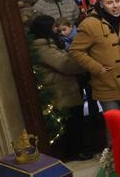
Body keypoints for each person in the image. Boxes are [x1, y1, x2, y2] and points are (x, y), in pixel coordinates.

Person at [69, 0, 120, 117]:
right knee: (116, 126)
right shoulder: (89, 24)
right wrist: (97, 68)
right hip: (106, 85)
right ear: (101, 4)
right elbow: (75, 51)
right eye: (110, 2)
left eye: (117, 1)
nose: (115, 6)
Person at [29, 14, 92, 161]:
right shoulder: (42, 47)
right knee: (72, 123)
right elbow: (66, 65)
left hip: (65, 88)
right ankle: (74, 152)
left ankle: (77, 149)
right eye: (53, 27)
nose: (56, 29)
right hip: (61, 91)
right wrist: (84, 61)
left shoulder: (48, 43)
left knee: (75, 120)